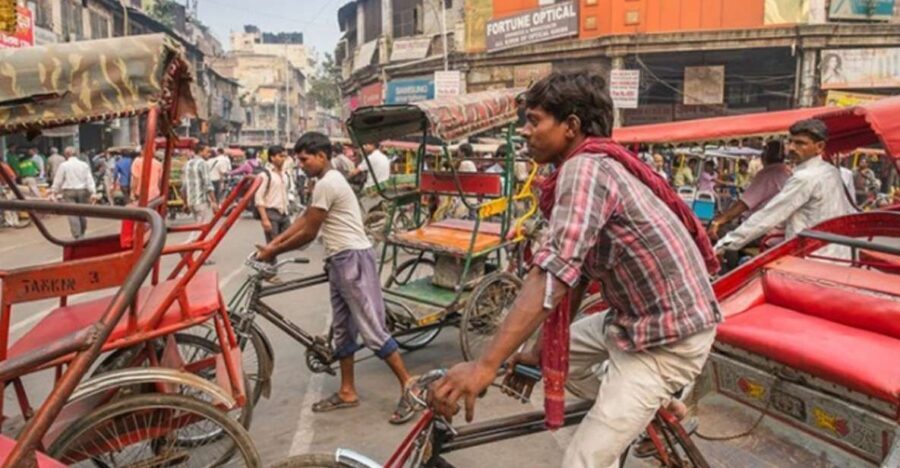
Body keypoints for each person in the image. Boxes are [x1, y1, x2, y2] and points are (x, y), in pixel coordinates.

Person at [431, 72, 721, 468]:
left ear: (570, 126)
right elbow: (577, 273)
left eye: (534, 120)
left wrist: (485, 365)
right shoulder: (589, 166)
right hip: (631, 320)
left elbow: (552, 273)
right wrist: (536, 350)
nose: (525, 130)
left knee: (581, 462)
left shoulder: (585, 169)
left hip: (669, 338)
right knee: (555, 361)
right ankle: (650, 408)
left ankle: (641, 404)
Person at [256, 132, 417, 425]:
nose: (301, 165)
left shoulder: (328, 183)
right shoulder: (325, 182)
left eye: (305, 159)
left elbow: (309, 233)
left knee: (372, 330)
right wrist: (274, 243)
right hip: (340, 261)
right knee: (343, 331)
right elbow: (305, 218)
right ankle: (347, 391)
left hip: (352, 259)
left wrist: (273, 251)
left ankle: (410, 386)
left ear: (321, 156)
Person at [716, 119, 854, 258]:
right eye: (790, 142)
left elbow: (767, 217)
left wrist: (721, 247)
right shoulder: (831, 171)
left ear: (819, 147)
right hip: (837, 254)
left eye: (800, 143)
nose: (792, 148)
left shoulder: (805, 177)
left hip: (811, 256)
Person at [255, 145, 291, 269]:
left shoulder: (285, 175)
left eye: (284, 156)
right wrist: (264, 219)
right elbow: (259, 197)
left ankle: (261, 257)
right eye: (280, 156)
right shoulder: (265, 175)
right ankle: (270, 271)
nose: (283, 159)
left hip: (284, 212)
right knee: (272, 244)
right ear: (272, 158)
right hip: (271, 212)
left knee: (285, 240)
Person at [51, 147, 97, 239]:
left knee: (72, 213)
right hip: (83, 191)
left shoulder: (64, 165)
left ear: (66, 155)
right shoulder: (84, 165)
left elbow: (58, 180)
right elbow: (89, 179)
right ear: (77, 154)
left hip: (69, 192)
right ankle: (82, 231)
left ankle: (77, 234)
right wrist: (93, 192)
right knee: (82, 212)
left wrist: (54, 192)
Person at [183, 145, 218, 244]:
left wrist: (185, 202)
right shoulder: (202, 163)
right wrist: (214, 202)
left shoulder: (188, 164)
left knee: (198, 226)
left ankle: (191, 248)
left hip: (191, 201)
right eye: (207, 152)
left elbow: (184, 186)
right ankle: (188, 246)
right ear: (200, 151)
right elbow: (208, 184)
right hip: (201, 201)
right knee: (204, 228)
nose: (209, 154)